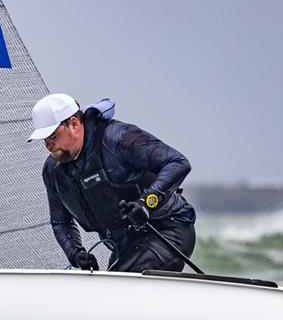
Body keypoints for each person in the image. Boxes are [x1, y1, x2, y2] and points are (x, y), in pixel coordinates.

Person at [28, 93, 196, 272]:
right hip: (125, 246)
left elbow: (178, 163)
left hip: (168, 231)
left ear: (74, 124)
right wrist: (75, 253)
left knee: (119, 285)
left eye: (52, 136)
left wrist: (146, 203)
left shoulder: (118, 138)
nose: (48, 144)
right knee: (106, 288)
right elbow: (60, 221)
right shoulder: (52, 171)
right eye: (44, 139)